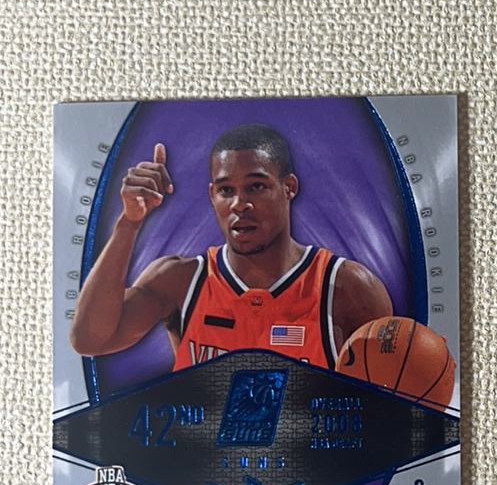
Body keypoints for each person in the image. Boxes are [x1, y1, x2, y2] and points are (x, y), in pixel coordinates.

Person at [70, 123, 392, 370]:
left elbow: (384, 408)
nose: (240, 204)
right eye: (226, 190)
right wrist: (129, 222)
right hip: (205, 443)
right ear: (212, 195)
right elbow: (89, 340)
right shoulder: (181, 281)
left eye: (256, 186)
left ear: (289, 187)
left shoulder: (348, 288)